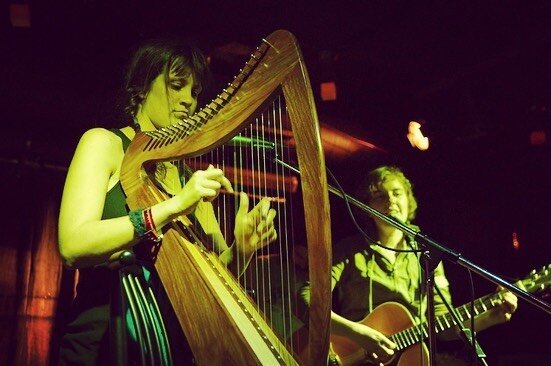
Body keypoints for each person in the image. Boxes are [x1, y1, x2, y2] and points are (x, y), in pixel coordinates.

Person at [56, 38, 277, 365]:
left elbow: (216, 280)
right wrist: (172, 207)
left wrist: (241, 250)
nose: (189, 100)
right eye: (177, 86)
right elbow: (72, 245)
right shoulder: (103, 144)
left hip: (173, 349)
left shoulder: (190, 180)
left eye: (195, 92)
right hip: (104, 345)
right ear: (143, 87)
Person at [301, 165, 517, 365]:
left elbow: (442, 325)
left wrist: (490, 317)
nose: (390, 201)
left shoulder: (427, 255)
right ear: (367, 207)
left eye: (397, 193)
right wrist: (357, 333)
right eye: (379, 196)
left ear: (408, 200)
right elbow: (307, 297)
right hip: (351, 355)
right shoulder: (348, 250)